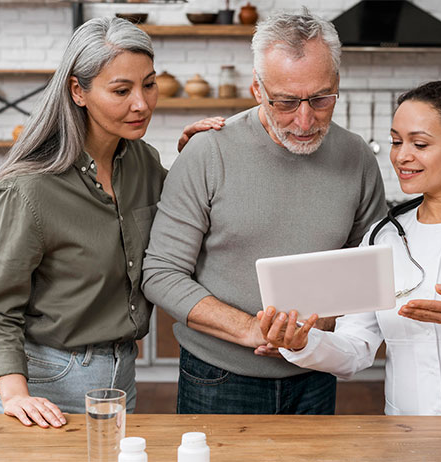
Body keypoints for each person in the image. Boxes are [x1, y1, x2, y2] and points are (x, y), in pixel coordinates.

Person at [0, 17, 218, 428]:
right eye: (121, 90)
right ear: (77, 91)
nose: (142, 103)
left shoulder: (144, 163)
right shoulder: (28, 190)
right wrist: (15, 396)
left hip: (120, 374)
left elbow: (189, 222)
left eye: (149, 84)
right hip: (44, 382)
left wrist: (197, 161)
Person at [258, 81, 441, 416]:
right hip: (406, 432)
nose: (402, 156)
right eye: (396, 142)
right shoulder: (382, 236)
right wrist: (303, 344)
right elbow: (356, 349)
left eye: (419, 143)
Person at [141, 9, 388, 415]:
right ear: (258, 89)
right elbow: (161, 273)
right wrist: (255, 330)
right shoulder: (208, 152)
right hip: (218, 379)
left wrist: (321, 327)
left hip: (316, 374)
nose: (305, 120)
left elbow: (368, 269)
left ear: (337, 85)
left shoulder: (357, 157)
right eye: (286, 102)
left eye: (321, 99)